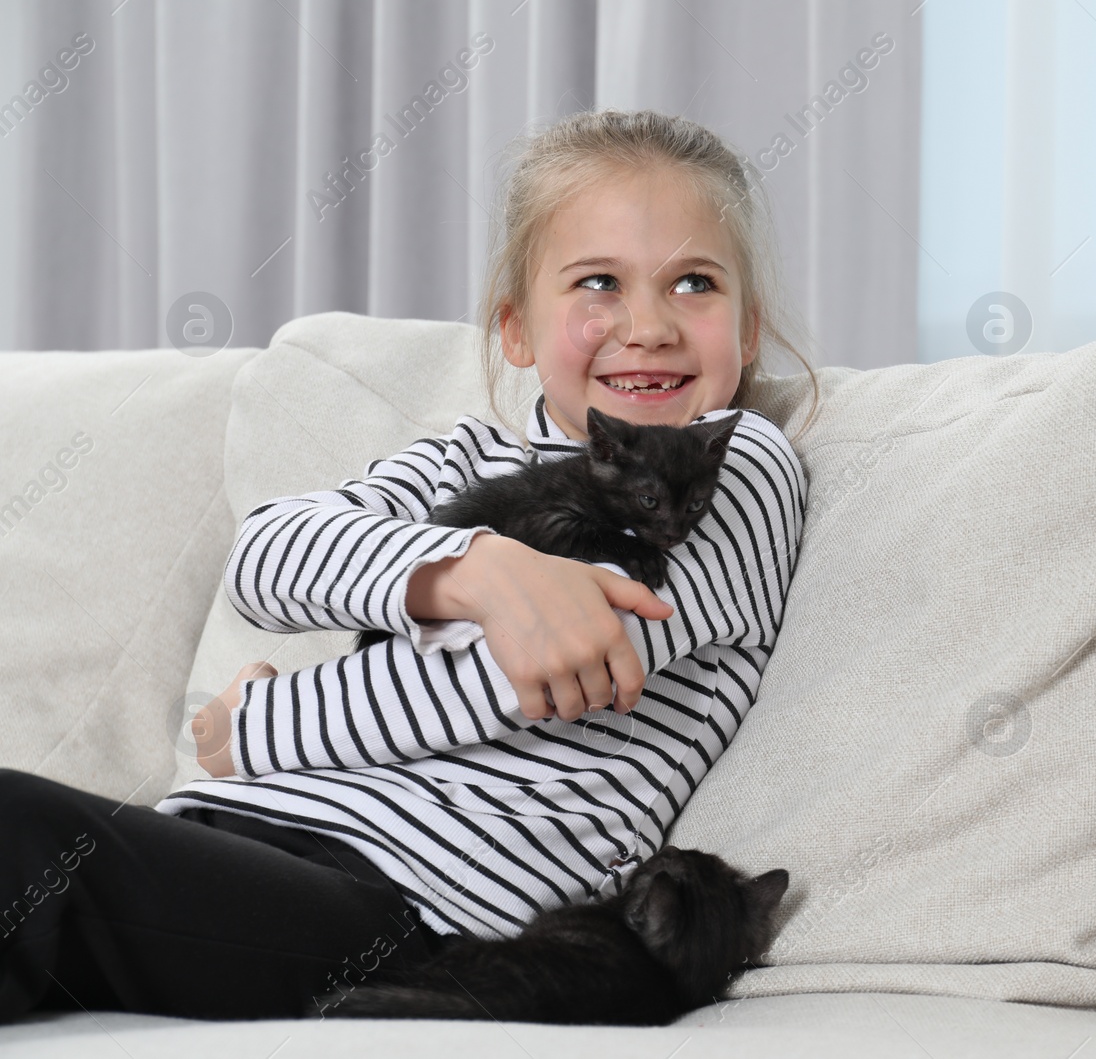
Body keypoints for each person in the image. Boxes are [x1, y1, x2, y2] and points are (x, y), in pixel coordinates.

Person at [0, 107, 818, 1022]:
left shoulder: (730, 462)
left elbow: (542, 666)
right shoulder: (464, 460)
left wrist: (255, 728)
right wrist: (473, 570)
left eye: (695, 283)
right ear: (516, 329)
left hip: (418, 902)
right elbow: (266, 555)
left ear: (747, 332)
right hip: (233, 839)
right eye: (598, 282)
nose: (649, 325)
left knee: (17, 834)